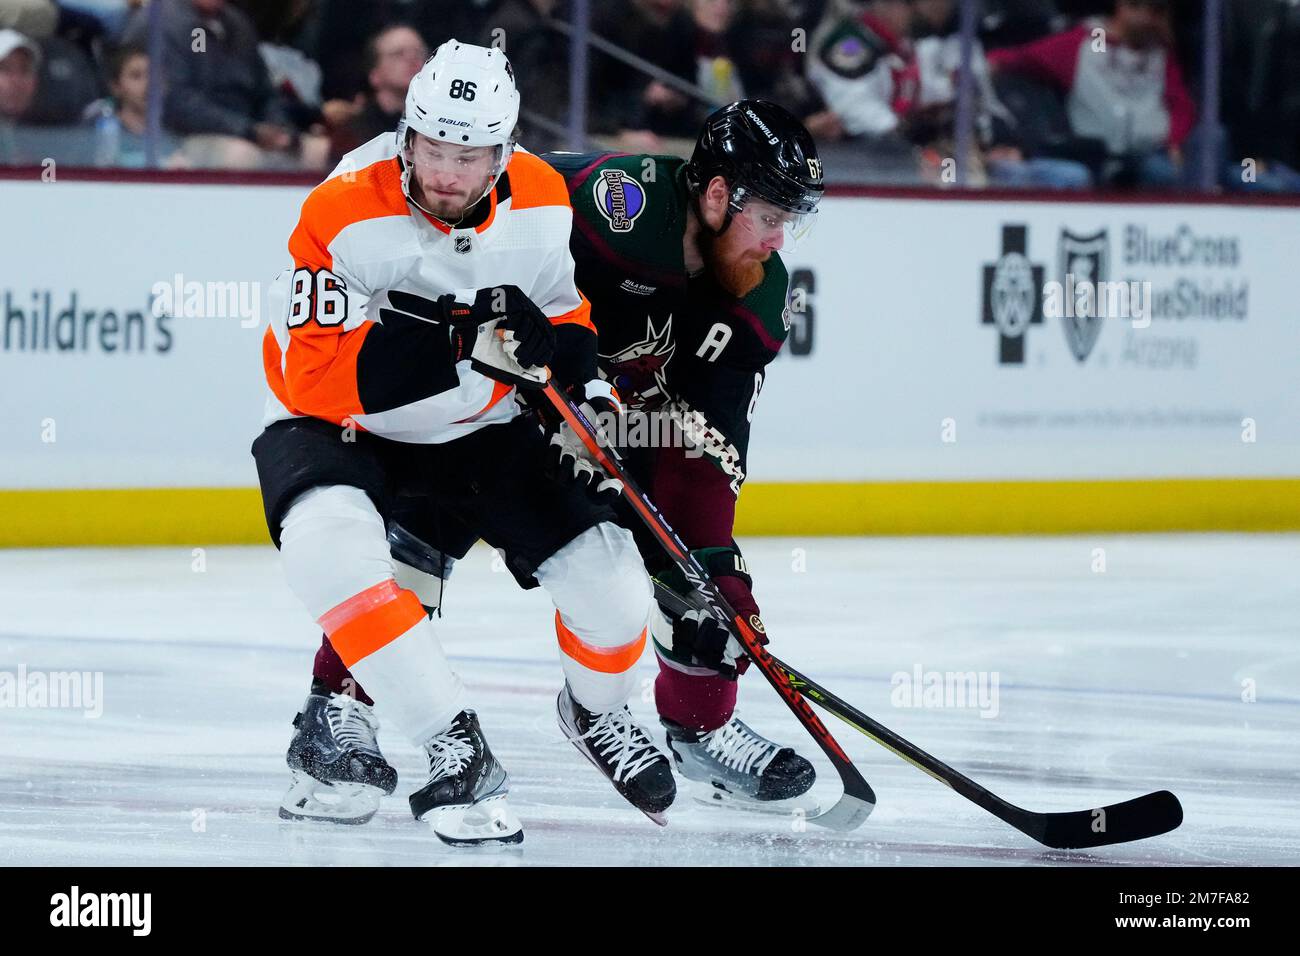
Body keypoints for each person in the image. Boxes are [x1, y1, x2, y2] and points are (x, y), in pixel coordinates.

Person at [311, 100, 826, 815]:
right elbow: (481, 263)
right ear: (715, 197)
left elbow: (701, 447)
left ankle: (698, 725)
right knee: (423, 530)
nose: (778, 241)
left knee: (693, 576)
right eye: (771, 216)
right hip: (487, 389)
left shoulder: (754, 297)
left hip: (606, 418)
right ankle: (339, 710)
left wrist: (713, 570)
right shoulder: (619, 211)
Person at [255, 39, 673, 846]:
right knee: (324, 547)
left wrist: (584, 397)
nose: (446, 173)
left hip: (483, 428)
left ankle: (599, 714)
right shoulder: (342, 207)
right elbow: (311, 375)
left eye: (469, 155)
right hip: (350, 429)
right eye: (432, 149)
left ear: (504, 153)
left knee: (616, 588)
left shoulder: (545, 198)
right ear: (406, 137)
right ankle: (452, 742)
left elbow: (563, 317)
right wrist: (458, 335)